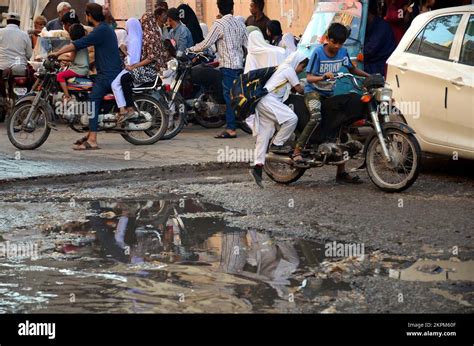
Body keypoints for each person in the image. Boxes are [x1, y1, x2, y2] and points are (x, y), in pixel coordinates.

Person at [293, 23, 370, 184]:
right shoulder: (318, 52)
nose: (337, 46)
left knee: (340, 125)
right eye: (335, 42)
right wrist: (323, 77)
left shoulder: (343, 51)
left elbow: (352, 69)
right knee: (315, 117)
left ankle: (341, 172)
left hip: (330, 93)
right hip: (313, 92)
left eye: (341, 43)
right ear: (328, 39)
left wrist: (368, 76)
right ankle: (297, 150)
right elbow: (309, 78)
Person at [50, 3, 122, 151]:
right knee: (89, 92)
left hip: (108, 75)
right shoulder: (103, 28)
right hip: (107, 72)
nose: (86, 17)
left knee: (92, 101)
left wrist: (56, 54)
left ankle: (93, 140)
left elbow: (78, 44)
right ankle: (90, 133)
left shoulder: (100, 30)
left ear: (90, 16)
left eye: (86, 15)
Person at [189, 0, 249, 139]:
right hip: (239, 65)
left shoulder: (219, 24)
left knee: (229, 97)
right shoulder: (240, 24)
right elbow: (248, 45)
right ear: (232, 8)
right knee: (236, 95)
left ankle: (231, 129)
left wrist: (190, 49)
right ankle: (236, 122)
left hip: (227, 66)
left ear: (219, 9)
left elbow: (206, 43)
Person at [249, 52, 308, 188]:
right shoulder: (288, 69)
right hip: (268, 100)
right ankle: (277, 144)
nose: (302, 70)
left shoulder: (283, 68)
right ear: (297, 62)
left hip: (262, 101)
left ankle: (257, 169)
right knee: (292, 119)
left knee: (264, 136)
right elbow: (299, 89)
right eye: (302, 67)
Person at [120, 13, 166, 122]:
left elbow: (150, 58)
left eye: (142, 22)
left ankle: (129, 108)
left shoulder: (149, 36)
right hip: (152, 68)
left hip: (150, 70)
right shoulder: (155, 33)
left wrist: (134, 66)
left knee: (124, 79)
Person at [111, 18, 142, 121]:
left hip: (131, 67)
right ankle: (123, 108)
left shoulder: (134, 40)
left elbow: (134, 58)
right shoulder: (136, 38)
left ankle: (124, 109)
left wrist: (127, 63)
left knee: (115, 84)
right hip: (133, 66)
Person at [0, 13, 32, 100]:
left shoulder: (0, 32)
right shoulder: (24, 35)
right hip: (20, 68)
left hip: (2, 67)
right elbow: (29, 55)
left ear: (7, 22)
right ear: (19, 23)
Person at [56, 24, 89, 103]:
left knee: (60, 76)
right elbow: (75, 59)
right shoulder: (82, 42)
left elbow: (71, 58)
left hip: (79, 69)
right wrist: (67, 62)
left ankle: (67, 95)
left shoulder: (75, 44)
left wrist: (58, 57)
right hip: (82, 68)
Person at [365, 0, 396, 75]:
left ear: (367, 12)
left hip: (380, 65)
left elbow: (369, 50)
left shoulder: (381, 26)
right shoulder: (367, 25)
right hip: (372, 62)